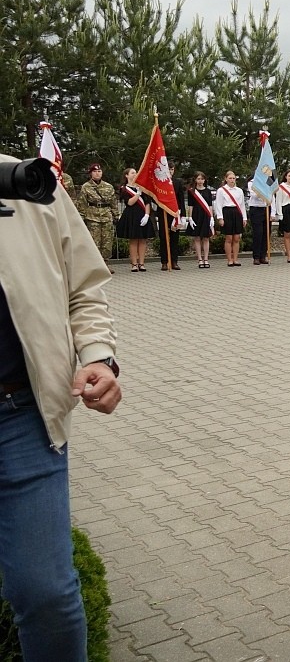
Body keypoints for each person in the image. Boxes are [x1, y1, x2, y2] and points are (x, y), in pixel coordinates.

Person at [0, 153, 123, 661]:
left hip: (20, 419)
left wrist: (98, 356)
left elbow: (85, 286)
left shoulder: (25, 183)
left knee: (47, 594)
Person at [77, 163, 118, 272]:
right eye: (95, 171)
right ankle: (95, 266)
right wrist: (81, 218)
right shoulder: (86, 187)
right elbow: (82, 204)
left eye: (99, 171)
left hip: (106, 216)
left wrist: (116, 215)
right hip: (92, 217)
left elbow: (113, 202)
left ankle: (105, 264)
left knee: (107, 243)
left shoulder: (108, 187)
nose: (97, 173)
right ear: (91, 173)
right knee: (94, 242)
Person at [114, 167, 156, 272]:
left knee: (143, 240)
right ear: (126, 175)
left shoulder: (142, 187)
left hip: (143, 215)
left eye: (135, 173)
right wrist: (137, 194)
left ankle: (141, 263)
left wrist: (147, 215)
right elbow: (130, 202)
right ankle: (134, 264)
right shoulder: (124, 189)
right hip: (131, 215)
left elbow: (147, 202)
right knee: (133, 240)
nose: (134, 174)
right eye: (132, 173)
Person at [213, 171, 247, 267]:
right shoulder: (221, 190)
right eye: (230, 178)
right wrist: (220, 218)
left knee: (236, 238)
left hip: (237, 213)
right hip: (227, 213)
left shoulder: (239, 190)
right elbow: (218, 204)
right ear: (226, 179)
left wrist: (244, 218)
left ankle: (236, 259)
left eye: (233, 178)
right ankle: (229, 259)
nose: (232, 180)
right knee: (229, 238)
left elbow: (242, 205)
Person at [155, 163, 185, 271]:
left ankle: (174, 261)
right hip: (164, 212)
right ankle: (164, 261)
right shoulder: (160, 182)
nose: (170, 171)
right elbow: (155, 198)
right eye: (168, 169)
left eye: (172, 169)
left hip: (175, 213)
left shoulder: (177, 182)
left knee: (174, 237)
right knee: (163, 237)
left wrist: (183, 215)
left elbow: (181, 199)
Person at [185, 171, 215, 268]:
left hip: (206, 215)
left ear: (204, 180)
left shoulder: (208, 191)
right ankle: (199, 259)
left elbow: (210, 205)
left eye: (202, 179)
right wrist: (190, 217)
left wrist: (211, 217)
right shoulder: (191, 191)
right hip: (196, 215)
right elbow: (190, 205)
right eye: (198, 179)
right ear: (195, 180)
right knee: (197, 238)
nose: (200, 181)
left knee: (206, 237)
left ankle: (206, 259)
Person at [247, 176, 273, 265]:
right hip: (256, 208)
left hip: (267, 208)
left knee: (266, 233)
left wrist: (273, 213)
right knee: (258, 233)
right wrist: (264, 190)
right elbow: (254, 194)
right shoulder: (252, 182)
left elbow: (272, 196)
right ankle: (256, 257)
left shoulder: (269, 181)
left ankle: (263, 256)